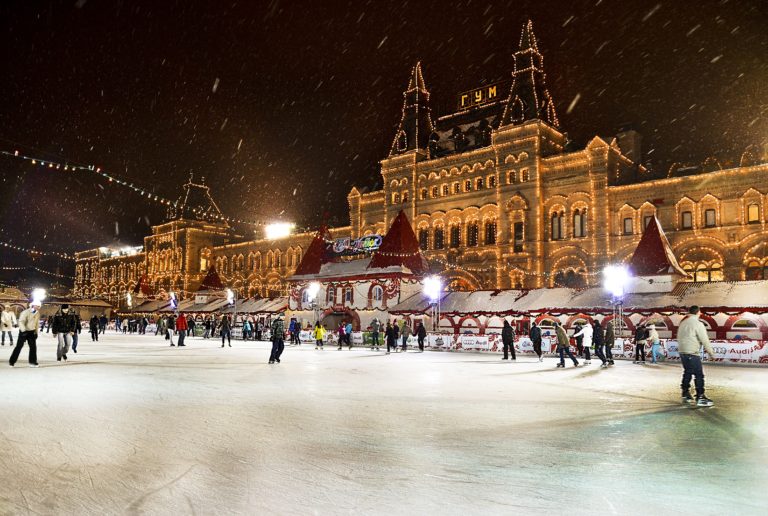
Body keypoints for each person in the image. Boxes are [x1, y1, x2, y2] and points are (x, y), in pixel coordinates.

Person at [677, 306, 715, 407]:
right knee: (699, 374)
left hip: (683, 352)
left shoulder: (683, 323)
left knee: (688, 372)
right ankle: (700, 396)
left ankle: (685, 392)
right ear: (698, 313)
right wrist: (711, 353)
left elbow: (679, 337)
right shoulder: (698, 324)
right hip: (692, 352)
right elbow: (704, 339)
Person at [9, 300, 42, 367]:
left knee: (33, 347)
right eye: (37, 306)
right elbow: (21, 321)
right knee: (19, 346)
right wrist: (23, 331)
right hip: (24, 332)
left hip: (31, 332)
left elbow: (36, 324)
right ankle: (12, 361)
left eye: (39, 306)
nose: (38, 307)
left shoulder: (37, 313)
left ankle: (32, 362)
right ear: (33, 305)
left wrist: (36, 332)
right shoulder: (26, 312)